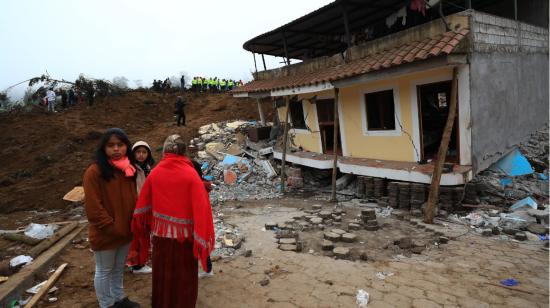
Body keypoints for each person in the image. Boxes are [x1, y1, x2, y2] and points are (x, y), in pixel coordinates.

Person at [132, 135, 214, 308]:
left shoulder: (155, 172)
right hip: (185, 239)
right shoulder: (191, 174)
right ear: (183, 152)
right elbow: (201, 208)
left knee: (163, 275)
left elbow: (143, 204)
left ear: (164, 151)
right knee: (184, 278)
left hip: (161, 236)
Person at [83, 128, 140, 308]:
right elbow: (93, 208)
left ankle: (119, 298)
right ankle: (107, 304)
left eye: (120, 145)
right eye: (111, 145)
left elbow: (133, 200)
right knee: (104, 271)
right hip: (106, 233)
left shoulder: (128, 170)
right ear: (103, 148)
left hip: (125, 231)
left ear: (126, 147)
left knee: (118, 269)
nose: (116, 149)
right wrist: (112, 228)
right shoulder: (94, 172)